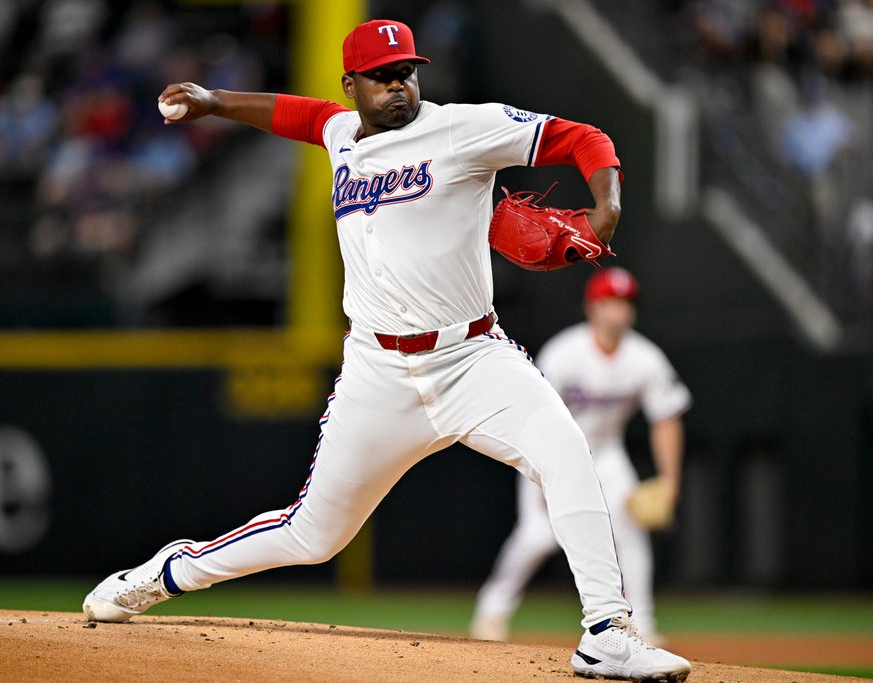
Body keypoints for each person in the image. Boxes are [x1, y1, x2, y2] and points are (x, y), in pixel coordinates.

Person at [82, 19, 692, 681]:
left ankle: (606, 630)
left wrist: (606, 206)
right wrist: (215, 100)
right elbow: (299, 115)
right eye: (382, 76)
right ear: (352, 85)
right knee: (313, 534)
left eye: (407, 71)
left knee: (569, 453)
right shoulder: (342, 131)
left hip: (472, 358)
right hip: (378, 372)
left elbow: (585, 138)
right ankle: (167, 572)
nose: (399, 85)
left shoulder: (464, 127)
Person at [471, 267, 691, 646]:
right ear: (592, 307)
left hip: (605, 453)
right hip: (549, 451)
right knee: (538, 537)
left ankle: (644, 624)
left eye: (625, 303)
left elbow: (666, 419)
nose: (619, 311)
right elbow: (530, 412)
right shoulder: (564, 353)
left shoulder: (644, 358)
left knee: (630, 535)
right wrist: (540, 472)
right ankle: (492, 610)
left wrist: (670, 480)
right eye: (611, 302)